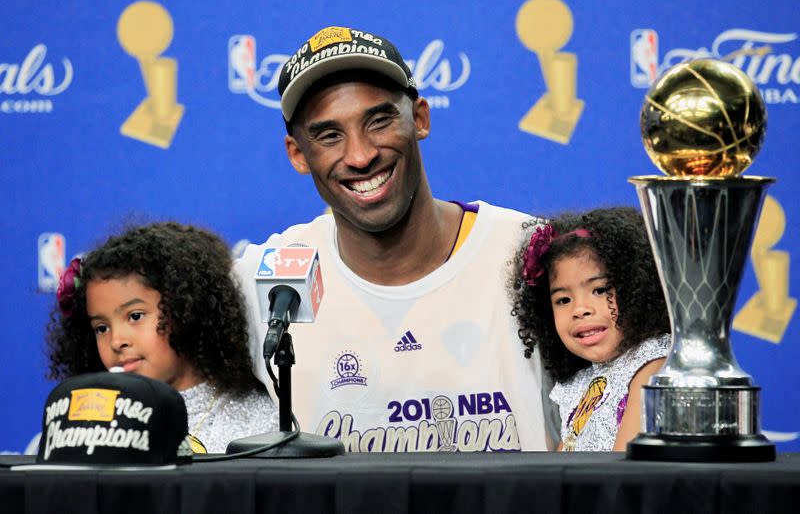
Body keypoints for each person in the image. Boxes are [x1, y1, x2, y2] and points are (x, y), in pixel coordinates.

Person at [234, 26, 550, 452]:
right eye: (329, 135)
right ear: (297, 154)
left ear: (419, 118)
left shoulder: (531, 254)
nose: (361, 155)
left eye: (379, 120)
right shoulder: (260, 277)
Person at [46, 222, 278, 453]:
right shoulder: (89, 428)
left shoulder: (263, 424)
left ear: (187, 309)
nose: (117, 341)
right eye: (101, 328)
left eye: (135, 316)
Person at [510, 207, 671, 452]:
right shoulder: (580, 383)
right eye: (563, 300)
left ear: (638, 289)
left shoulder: (653, 367)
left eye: (600, 290)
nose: (580, 309)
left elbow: (626, 475)